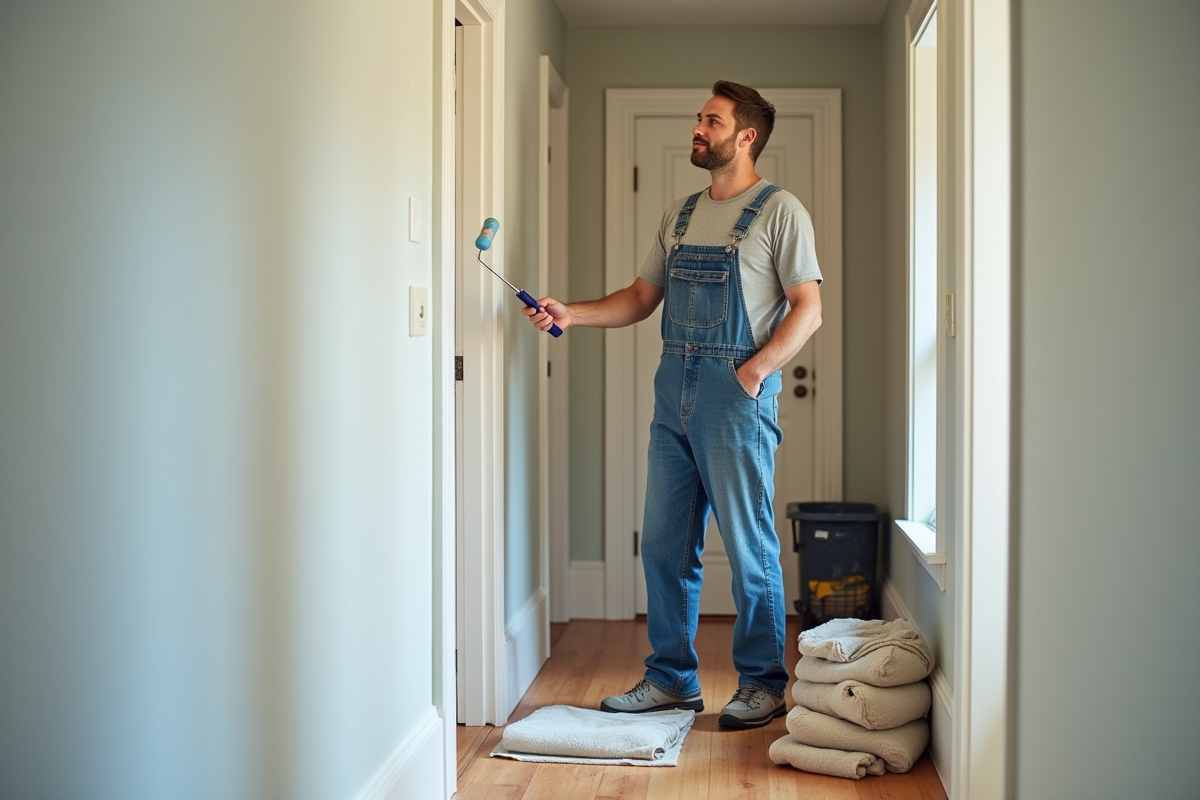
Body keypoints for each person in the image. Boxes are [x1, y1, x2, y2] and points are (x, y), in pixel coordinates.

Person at [524, 81, 823, 729]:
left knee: (749, 548)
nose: (698, 127)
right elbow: (639, 296)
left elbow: (809, 308)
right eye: (698, 118)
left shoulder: (779, 211)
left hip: (735, 395)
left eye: (710, 120)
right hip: (673, 395)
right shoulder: (680, 214)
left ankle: (764, 684)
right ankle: (670, 679)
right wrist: (570, 314)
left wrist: (754, 372)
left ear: (745, 136)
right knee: (663, 543)